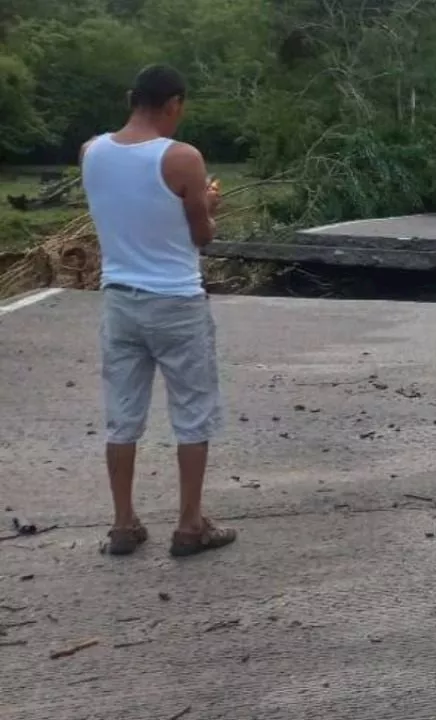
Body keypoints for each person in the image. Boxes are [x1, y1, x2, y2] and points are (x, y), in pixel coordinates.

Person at [81, 64, 236, 557]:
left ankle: (123, 524)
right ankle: (190, 525)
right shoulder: (182, 158)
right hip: (175, 301)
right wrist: (209, 203)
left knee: (122, 417)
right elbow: (201, 235)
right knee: (192, 414)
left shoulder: (91, 152)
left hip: (120, 300)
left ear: (133, 98)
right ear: (174, 104)